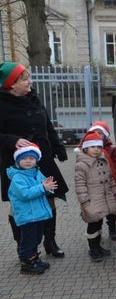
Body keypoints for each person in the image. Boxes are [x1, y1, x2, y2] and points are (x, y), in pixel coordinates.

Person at [0, 61, 68, 258]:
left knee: (50, 197)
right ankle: (25, 248)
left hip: (43, 158)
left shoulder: (34, 98)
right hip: (17, 164)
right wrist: (12, 140)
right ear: (12, 84)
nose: (30, 81)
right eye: (25, 78)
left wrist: (58, 147)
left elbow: (46, 125)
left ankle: (50, 241)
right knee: (18, 202)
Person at [74, 131, 116, 262]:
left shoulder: (103, 159)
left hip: (103, 198)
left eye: (99, 147)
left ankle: (98, 246)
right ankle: (92, 249)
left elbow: (110, 178)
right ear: (86, 148)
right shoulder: (81, 165)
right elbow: (80, 185)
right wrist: (85, 202)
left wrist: (114, 191)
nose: (96, 150)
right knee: (93, 226)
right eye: (93, 147)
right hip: (92, 201)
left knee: (99, 224)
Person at [8, 143, 54, 275]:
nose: (28, 161)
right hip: (27, 216)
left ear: (36, 160)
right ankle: (26, 264)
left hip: (38, 214)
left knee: (36, 238)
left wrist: (49, 187)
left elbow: (44, 185)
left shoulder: (37, 172)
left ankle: (34, 259)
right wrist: (42, 188)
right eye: (24, 158)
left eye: (32, 158)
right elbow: (25, 194)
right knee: (28, 240)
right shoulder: (17, 177)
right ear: (18, 160)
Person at [87, 121, 116, 241]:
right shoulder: (88, 150)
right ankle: (98, 233)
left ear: (105, 136)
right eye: (94, 132)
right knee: (99, 211)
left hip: (110, 184)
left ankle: (112, 229)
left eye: (100, 133)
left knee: (112, 209)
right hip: (96, 187)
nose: (97, 135)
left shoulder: (111, 149)